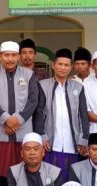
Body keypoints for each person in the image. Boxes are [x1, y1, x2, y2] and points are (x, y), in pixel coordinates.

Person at [0, 41, 39, 177]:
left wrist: (16, 120)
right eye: (6, 55)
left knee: (22, 173)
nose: (10, 59)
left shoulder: (28, 74)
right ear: (0, 57)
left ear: (18, 57)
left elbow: (33, 100)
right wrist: (6, 119)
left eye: (13, 55)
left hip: (22, 130)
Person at [35, 48, 89, 179]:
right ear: (53, 65)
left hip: (72, 142)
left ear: (71, 67)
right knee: (50, 179)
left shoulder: (78, 87)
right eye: (60, 64)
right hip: (51, 143)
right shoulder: (43, 85)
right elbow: (38, 113)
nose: (63, 68)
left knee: (71, 179)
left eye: (66, 65)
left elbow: (83, 115)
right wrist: (42, 135)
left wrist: (84, 139)